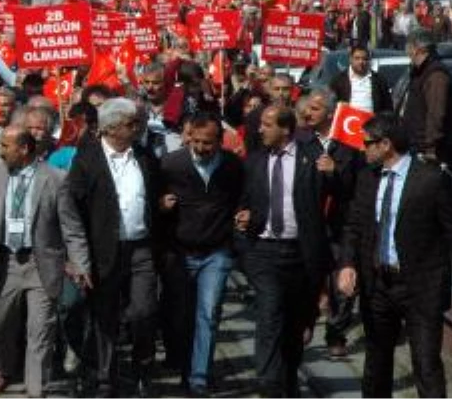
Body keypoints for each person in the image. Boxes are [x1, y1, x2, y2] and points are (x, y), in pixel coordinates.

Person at [337, 113, 452, 398]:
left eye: (368, 143)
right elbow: (354, 225)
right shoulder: (367, 177)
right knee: (376, 362)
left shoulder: (430, 179)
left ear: (386, 144)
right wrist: (347, 264)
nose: (362, 148)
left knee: (425, 363)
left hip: (420, 286)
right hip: (378, 283)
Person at [0, 125, 91, 398]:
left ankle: (35, 388)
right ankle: (5, 367)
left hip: (41, 264)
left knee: (40, 331)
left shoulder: (56, 179)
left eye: (5, 147)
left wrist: (81, 264)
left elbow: (72, 228)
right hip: (5, 263)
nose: (0, 152)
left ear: (24, 149)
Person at [67, 97, 163, 398]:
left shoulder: (145, 157)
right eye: (131, 123)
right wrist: (77, 257)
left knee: (144, 311)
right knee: (104, 316)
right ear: (111, 128)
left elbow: (156, 197)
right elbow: (73, 208)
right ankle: (104, 377)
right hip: (103, 251)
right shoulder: (87, 160)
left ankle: (142, 368)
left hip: (141, 249)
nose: (138, 127)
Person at [235, 103, 332, 399]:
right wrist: (244, 215)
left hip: (299, 254)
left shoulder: (312, 158)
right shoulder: (254, 161)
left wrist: (334, 173)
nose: (260, 129)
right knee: (270, 311)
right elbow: (244, 201)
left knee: (293, 326)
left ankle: (288, 384)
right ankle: (267, 383)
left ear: (286, 129)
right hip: (264, 251)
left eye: (267, 124)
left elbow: (344, 194)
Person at [158, 111, 244, 397]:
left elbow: (244, 197)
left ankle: (198, 377)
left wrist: (244, 215)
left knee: (208, 313)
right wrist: (162, 205)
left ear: (220, 141)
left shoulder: (232, 167)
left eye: (207, 143)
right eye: (195, 141)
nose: (200, 148)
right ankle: (182, 365)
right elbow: (153, 199)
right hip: (180, 252)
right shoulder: (172, 164)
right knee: (180, 315)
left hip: (216, 252)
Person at [298, 86, 366, 358]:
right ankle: (305, 322)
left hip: (341, 223)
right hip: (310, 223)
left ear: (330, 113)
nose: (308, 113)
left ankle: (336, 333)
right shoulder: (303, 142)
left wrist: (334, 172)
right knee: (308, 278)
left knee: (342, 282)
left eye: (315, 109)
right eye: (307, 108)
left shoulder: (350, 147)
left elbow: (358, 187)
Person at [396, 28, 452, 175]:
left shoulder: (436, 76)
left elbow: (436, 113)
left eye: (408, 48)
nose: (407, 53)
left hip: (429, 153)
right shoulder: (419, 72)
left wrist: (431, 148)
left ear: (417, 49)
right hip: (415, 147)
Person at [329, 44, 392, 114]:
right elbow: (330, 103)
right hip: (348, 121)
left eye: (364, 59)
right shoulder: (339, 80)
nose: (361, 62)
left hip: (372, 122)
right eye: (357, 58)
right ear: (350, 59)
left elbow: (387, 106)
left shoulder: (379, 80)